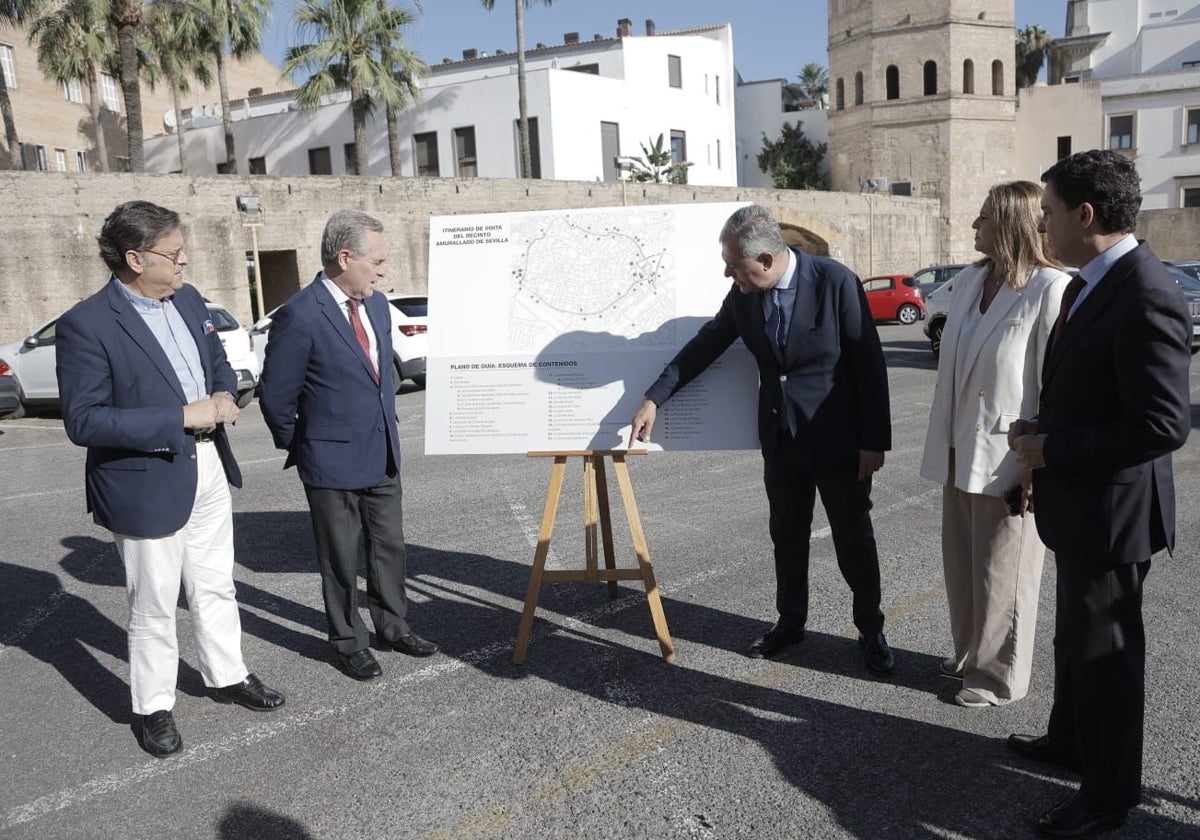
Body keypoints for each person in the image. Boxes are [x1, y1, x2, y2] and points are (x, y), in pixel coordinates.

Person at [56, 201, 285, 759]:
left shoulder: (186, 298)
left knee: (214, 582)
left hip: (208, 462)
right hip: (144, 478)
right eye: (173, 254)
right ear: (135, 259)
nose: (185, 262)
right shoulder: (85, 324)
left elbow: (215, 360)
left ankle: (226, 674)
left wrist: (226, 393)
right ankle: (153, 706)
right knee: (153, 601)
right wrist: (183, 416)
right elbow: (83, 421)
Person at [1007, 150, 1190, 838]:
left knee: (1107, 660)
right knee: (1073, 639)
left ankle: (1108, 796)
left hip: (1114, 514)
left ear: (1086, 215)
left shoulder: (1145, 290)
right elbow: (1091, 390)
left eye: (1050, 214)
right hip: (1082, 505)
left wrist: (1051, 448)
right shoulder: (1090, 281)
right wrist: (1043, 427)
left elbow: (1161, 424)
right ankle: (1070, 741)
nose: (1044, 228)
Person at [629, 204, 895, 675]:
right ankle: (790, 621)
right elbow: (706, 345)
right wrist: (654, 398)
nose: (728, 272)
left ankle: (871, 629)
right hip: (782, 439)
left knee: (853, 538)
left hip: (839, 442)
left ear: (767, 259)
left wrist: (873, 441)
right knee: (786, 536)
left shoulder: (835, 281)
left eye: (735, 264)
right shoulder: (744, 296)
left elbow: (867, 363)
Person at [259, 210, 437, 682]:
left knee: (389, 548)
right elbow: (276, 397)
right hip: (328, 461)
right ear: (345, 257)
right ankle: (347, 640)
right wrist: (304, 447)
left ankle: (393, 627)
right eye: (377, 261)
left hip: (382, 452)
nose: (383, 270)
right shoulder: (300, 314)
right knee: (339, 557)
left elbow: (382, 377)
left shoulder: (377, 305)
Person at [919, 181, 1070, 708]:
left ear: (1010, 224)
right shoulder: (968, 280)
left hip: (1011, 453)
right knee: (961, 563)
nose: (973, 226)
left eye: (983, 218)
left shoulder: (1050, 287)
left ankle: (997, 675)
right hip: (958, 446)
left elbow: (1056, 384)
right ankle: (966, 653)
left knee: (1004, 569)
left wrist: (1037, 463)